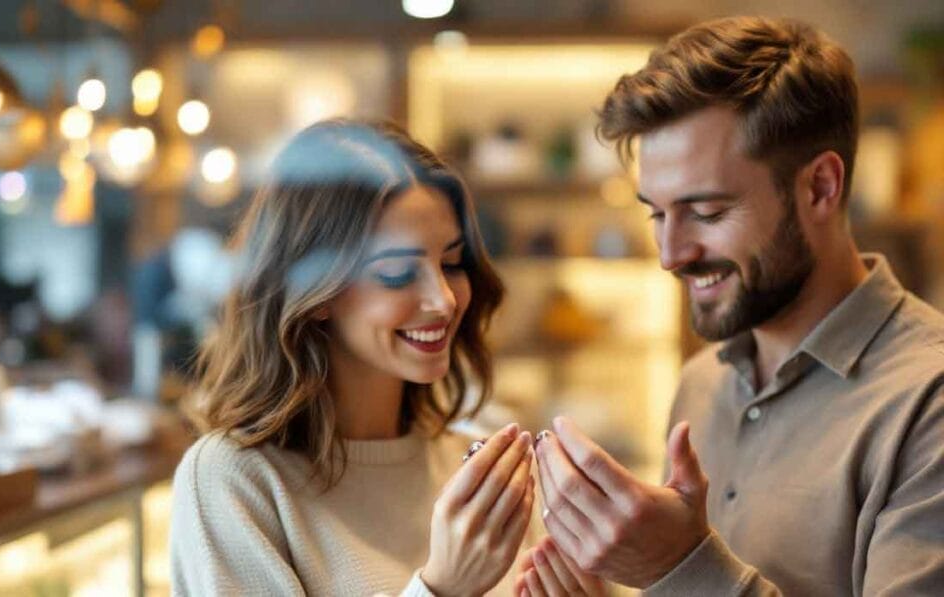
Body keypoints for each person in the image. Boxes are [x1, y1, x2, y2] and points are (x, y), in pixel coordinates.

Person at [517, 15, 944, 596]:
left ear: (820, 187)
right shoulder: (701, 384)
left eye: (708, 212)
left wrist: (679, 567)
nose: (670, 255)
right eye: (655, 213)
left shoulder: (928, 403)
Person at [170, 119, 538, 596]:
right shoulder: (233, 482)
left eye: (450, 264)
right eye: (398, 271)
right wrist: (441, 589)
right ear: (314, 291)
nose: (444, 300)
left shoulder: (474, 465)